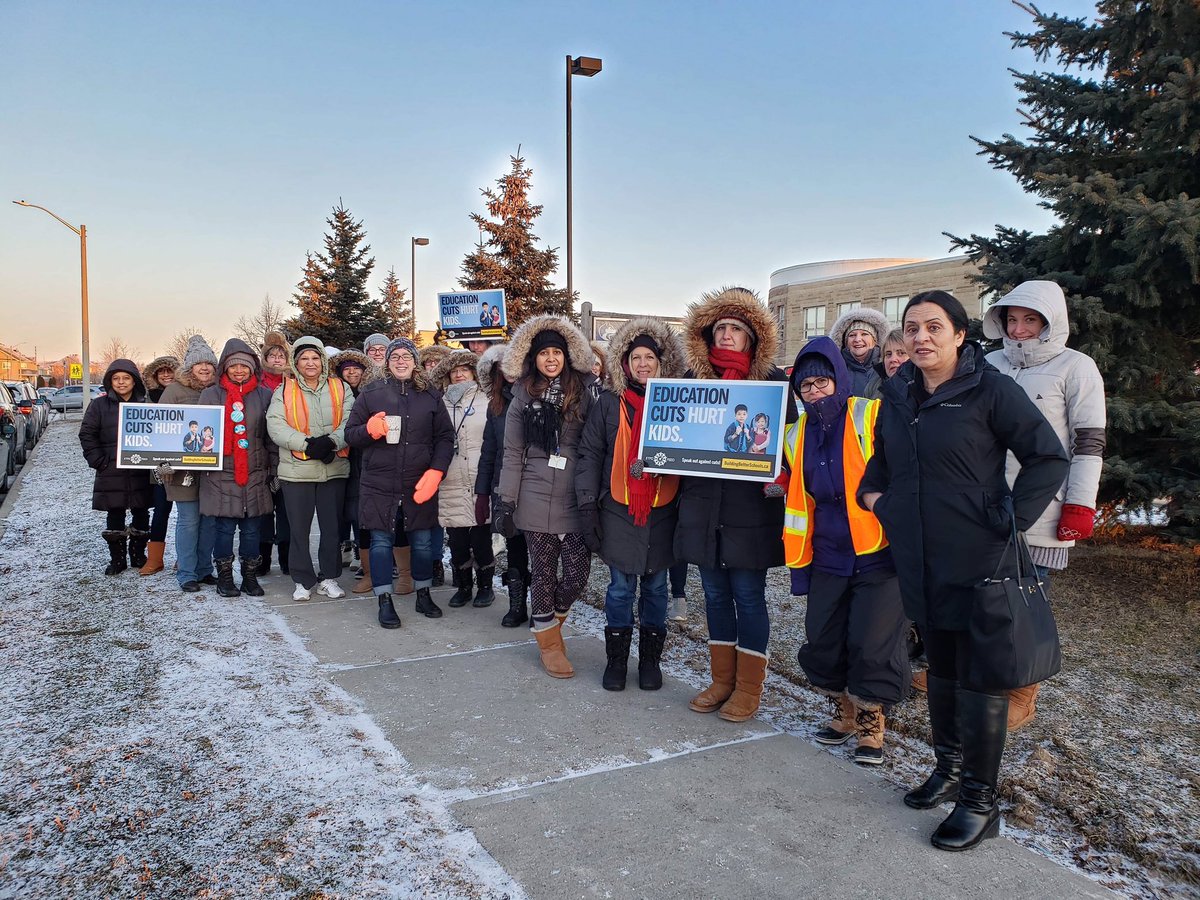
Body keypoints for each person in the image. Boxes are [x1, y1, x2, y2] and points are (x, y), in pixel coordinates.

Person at [857, 290, 1068, 851]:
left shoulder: (989, 389)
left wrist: (1010, 519)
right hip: (921, 558)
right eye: (911, 329)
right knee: (943, 669)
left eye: (933, 327)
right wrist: (879, 499)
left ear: (958, 334)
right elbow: (881, 460)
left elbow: (1048, 456)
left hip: (981, 558)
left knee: (981, 680)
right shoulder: (898, 392)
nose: (921, 338)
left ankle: (980, 800)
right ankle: (948, 769)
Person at [983, 280, 1106, 730]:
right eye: (1011, 319)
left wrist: (1080, 503)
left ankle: (1022, 690)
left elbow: (1089, 441)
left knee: (1025, 600)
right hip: (985, 503)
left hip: (1042, 507)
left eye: (1029, 319)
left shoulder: (1077, 367)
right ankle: (964, 672)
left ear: (1049, 321)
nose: (1018, 329)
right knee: (978, 594)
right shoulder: (989, 363)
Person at [783, 337, 909, 765]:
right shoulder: (795, 433)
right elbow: (798, 485)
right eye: (806, 386)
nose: (815, 391)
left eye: (822, 382)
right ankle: (844, 711)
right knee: (824, 636)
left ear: (838, 378)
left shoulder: (869, 414)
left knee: (873, 642)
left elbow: (905, 462)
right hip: (826, 554)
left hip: (878, 550)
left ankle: (872, 723)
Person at [675, 287, 795, 722]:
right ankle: (721, 680)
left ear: (752, 338)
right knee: (713, 596)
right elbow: (672, 438)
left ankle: (748, 687)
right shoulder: (690, 383)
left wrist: (780, 476)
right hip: (705, 509)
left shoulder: (774, 384)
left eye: (736, 329)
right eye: (720, 328)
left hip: (751, 510)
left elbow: (790, 444)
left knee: (748, 595)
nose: (727, 335)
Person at [577, 318, 684, 691]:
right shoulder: (609, 403)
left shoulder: (677, 401)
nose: (642, 364)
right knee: (621, 588)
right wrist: (588, 504)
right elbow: (590, 454)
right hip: (620, 509)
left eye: (649, 357)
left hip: (663, 508)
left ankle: (650, 661)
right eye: (635, 357)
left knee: (656, 588)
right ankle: (617, 660)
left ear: (660, 361)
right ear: (624, 363)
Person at [494, 315, 599, 678]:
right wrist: (506, 500)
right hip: (534, 492)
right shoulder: (522, 396)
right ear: (534, 359)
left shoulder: (586, 392)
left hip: (573, 493)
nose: (550, 359)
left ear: (566, 356)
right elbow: (511, 452)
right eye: (544, 354)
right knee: (542, 573)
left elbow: (597, 444)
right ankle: (550, 645)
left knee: (575, 575)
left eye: (556, 352)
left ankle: (548, 623)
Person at [345, 337, 454, 628]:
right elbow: (351, 435)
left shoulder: (430, 395)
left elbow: (445, 437)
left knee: (421, 542)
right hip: (379, 482)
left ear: (415, 362)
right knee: (381, 542)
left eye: (407, 356)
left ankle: (423, 594)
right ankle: (384, 601)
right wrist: (369, 430)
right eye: (396, 357)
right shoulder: (370, 394)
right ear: (388, 363)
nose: (401, 361)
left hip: (419, 481)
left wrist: (437, 471)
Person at [266, 337, 354, 602]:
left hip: (333, 468)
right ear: (296, 362)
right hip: (296, 471)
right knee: (298, 529)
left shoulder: (340, 387)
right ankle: (302, 580)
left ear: (323, 361)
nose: (310, 363)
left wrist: (331, 442)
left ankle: (328, 578)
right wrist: (307, 445)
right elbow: (276, 425)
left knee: (332, 529)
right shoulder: (284, 390)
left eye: (315, 358)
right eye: (304, 358)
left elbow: (351, 420)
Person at [198, 339, 277, 598]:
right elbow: (200, 435)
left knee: (252, 529)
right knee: (224, 529)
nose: (239, 370)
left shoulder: (265, 395)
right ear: (225, 368)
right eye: (234, 366)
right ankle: (224, 578)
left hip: (255, 473)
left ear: (253, 367)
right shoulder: (210, 395)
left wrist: (274, 470)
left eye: (244, 365)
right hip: (221, 474)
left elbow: (271, 437)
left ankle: (250, 577)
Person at [431, 349, 496, 608]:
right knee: (457, 537)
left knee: (481, 535)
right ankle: (464, 585)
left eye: (464, 370)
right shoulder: (440, 402)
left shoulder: (488, 399)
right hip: (451, 478)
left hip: (480, 476)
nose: (459, 374)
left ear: (474, 373)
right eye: (454, 371)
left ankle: (486, 586)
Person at [79, 358, 155, 576]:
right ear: (110, 381)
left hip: (141, 469)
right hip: (111, 470)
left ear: (134, 381)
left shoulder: (145, 404)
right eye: (116, 378)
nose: (121, 383)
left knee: (142, 511)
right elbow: (87, 434)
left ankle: (138, 554)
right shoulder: (99, 405)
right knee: (115, 514)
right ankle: (117, 558)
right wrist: (99, 461)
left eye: (126, 378)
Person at [475, 343, 531, 627]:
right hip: (506, 486)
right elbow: (489, 451)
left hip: (537, 484)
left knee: (542, 550)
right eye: (502, 367)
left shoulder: (537, 396)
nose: (509, 371)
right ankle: (517, 605)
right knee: (516, 546)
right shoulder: (496, 406)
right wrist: (482, 492)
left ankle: (543, 606)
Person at [159, 336, 219, 591]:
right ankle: (186, 572)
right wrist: (161, 464)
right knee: (188, 520)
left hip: (212, 470)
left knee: (209, 521)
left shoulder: (218, 391)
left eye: (209, 363)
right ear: (189, 367)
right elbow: (159, 429)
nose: (204, 368)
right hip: (182, 470)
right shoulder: (174, 391)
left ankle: (205, 568)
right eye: (199, 364)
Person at [331, 349, 380, 594]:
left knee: (364, 513)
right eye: (346, 369)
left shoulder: (372, 392)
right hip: (340, 459)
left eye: (355, 368)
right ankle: (349, 549)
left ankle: (367, 562)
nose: (351, 372)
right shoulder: (335, 395)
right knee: (347, 511)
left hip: (365, 459)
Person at [139, 355, 179, 575]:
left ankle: (184, 557)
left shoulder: (185, 395)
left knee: (186, 512)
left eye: (169, 371)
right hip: (158, 462)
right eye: (160, 372)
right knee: (161, 508)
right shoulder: (148, 399)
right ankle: (155, 558)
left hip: (184, 462)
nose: (165, 375)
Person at [419, 343, 453, 586]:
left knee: (445, 516)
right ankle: (431, 561)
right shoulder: (420, 391)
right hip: (423, 459)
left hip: (452, 460)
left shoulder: (453, 392)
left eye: (437, 362)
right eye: (428, 362)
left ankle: (440, 560)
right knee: (428, 515)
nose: (432, 367)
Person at [259, 331, 291, 575]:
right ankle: (263, 558)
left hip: (288, 453)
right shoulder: (257, 384)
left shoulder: (293, 383)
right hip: (261, 455)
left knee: (287, 511)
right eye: (273, 356)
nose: (277, 360)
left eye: (282, 356)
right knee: (264, 510)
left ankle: (287, 558)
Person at [829, 307, 890, 397]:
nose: (857, 339)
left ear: (875, 340)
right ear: (845, 342)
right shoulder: (835, 372)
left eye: (864, 334)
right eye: (852, 335)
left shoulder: (887, 369)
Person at [864, 328, 909, 399]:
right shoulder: (873, 386)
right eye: (888, 354)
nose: (893, 359)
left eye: (901, 353)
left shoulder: (924, 387)